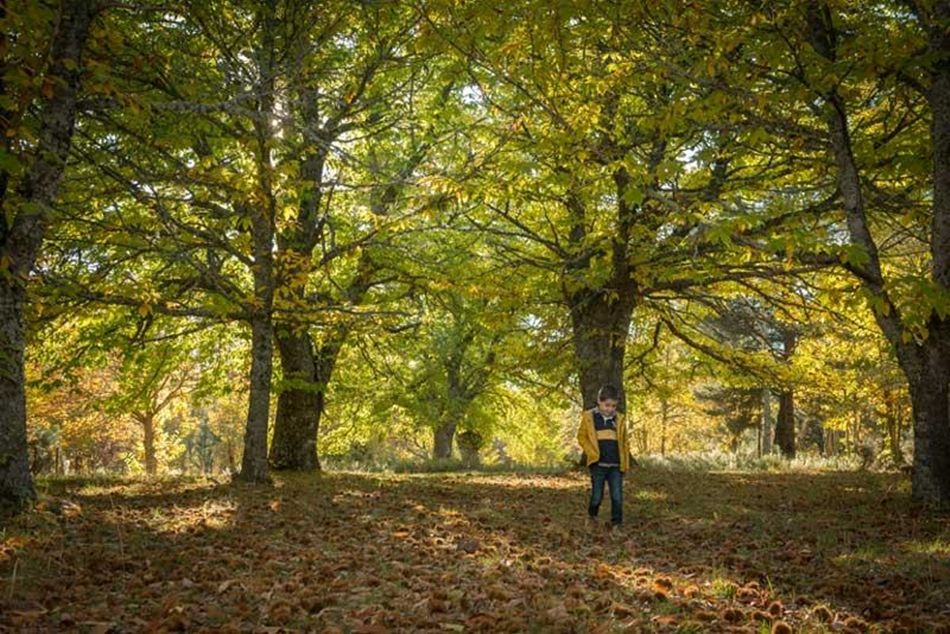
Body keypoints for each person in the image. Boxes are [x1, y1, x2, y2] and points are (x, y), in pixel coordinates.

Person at [576, 385, 630, 531]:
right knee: (597, 495)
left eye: (613, 406)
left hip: (615, 465)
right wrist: (590, 451)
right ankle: (592, 517)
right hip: (598, 464)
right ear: (599, 401)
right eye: (607, 405)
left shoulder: (619, 419)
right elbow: (582, 437)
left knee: (617, 496)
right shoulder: (589, 417)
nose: (610, 409)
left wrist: (625, 463)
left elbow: (624, 442)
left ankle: (616, 524)